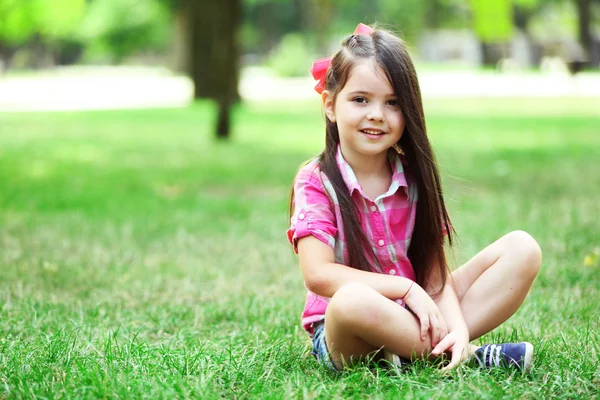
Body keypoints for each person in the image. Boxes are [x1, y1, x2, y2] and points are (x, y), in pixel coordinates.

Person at [286, 23, 542, 372]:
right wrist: (405, 289)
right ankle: (466, 358)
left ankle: (442, 349)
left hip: (418, 314)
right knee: (350, 301)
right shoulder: (316, 180)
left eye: (392, 102)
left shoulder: (413, 177)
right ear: (330, 105)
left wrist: (459, 327)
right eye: (360, 99)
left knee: (522, 248)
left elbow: (435, 280)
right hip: (347, 331)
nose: (376, 114)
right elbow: (318, 274)